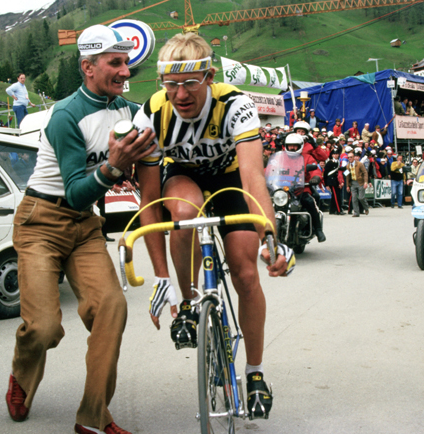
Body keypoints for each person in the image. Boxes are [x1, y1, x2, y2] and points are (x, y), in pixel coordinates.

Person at [132, 33, 293, 420]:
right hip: (182, 177)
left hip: (230, 179)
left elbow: (254, 178)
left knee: (246, 272)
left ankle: (254, 372)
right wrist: (161, 279)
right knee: (183, 215)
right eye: (171, 84)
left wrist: (270, 237)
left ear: (209, 76)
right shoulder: (152, 113)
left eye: (190, 83)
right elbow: (151, 204)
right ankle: (188, 304)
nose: (181, 94)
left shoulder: (235, 103)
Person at [4, 25, 156, 434]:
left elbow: (147, 163)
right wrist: (112, 167)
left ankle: (93, 418)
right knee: (45, 328)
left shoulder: (128, 109)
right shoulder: (66, 116)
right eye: (115, 63)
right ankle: (21, 374)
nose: (126, 71)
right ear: (88, 67)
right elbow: (73, 192)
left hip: (85, 225)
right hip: (42, 222)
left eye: (127, 62)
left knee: (112, 307)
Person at [345, 151, 369, 217]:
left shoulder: (360, 164)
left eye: (351, 157)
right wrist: (347, 185)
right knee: (354, 198)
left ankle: (366, 208)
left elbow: (365, 173)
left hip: (360, 182)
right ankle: (356, 212)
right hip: (353, 183)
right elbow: (347, 176)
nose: (349, 158)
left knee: (361, 198)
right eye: (348, 157)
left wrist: (365, 182)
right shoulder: (347, 166)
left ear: (354, 158)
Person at [324, 146, 345, 215]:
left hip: (336, 181)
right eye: (334, 154)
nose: (335, 155)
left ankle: (332, 210)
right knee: (336, 196)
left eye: (337, 154)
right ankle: (338, 210)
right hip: (332, 181)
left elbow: (339, 171)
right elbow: (325, 174)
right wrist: (326, 184)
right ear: (332, 155)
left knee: (336, 195)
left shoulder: (338, 162)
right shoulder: (330, 162)